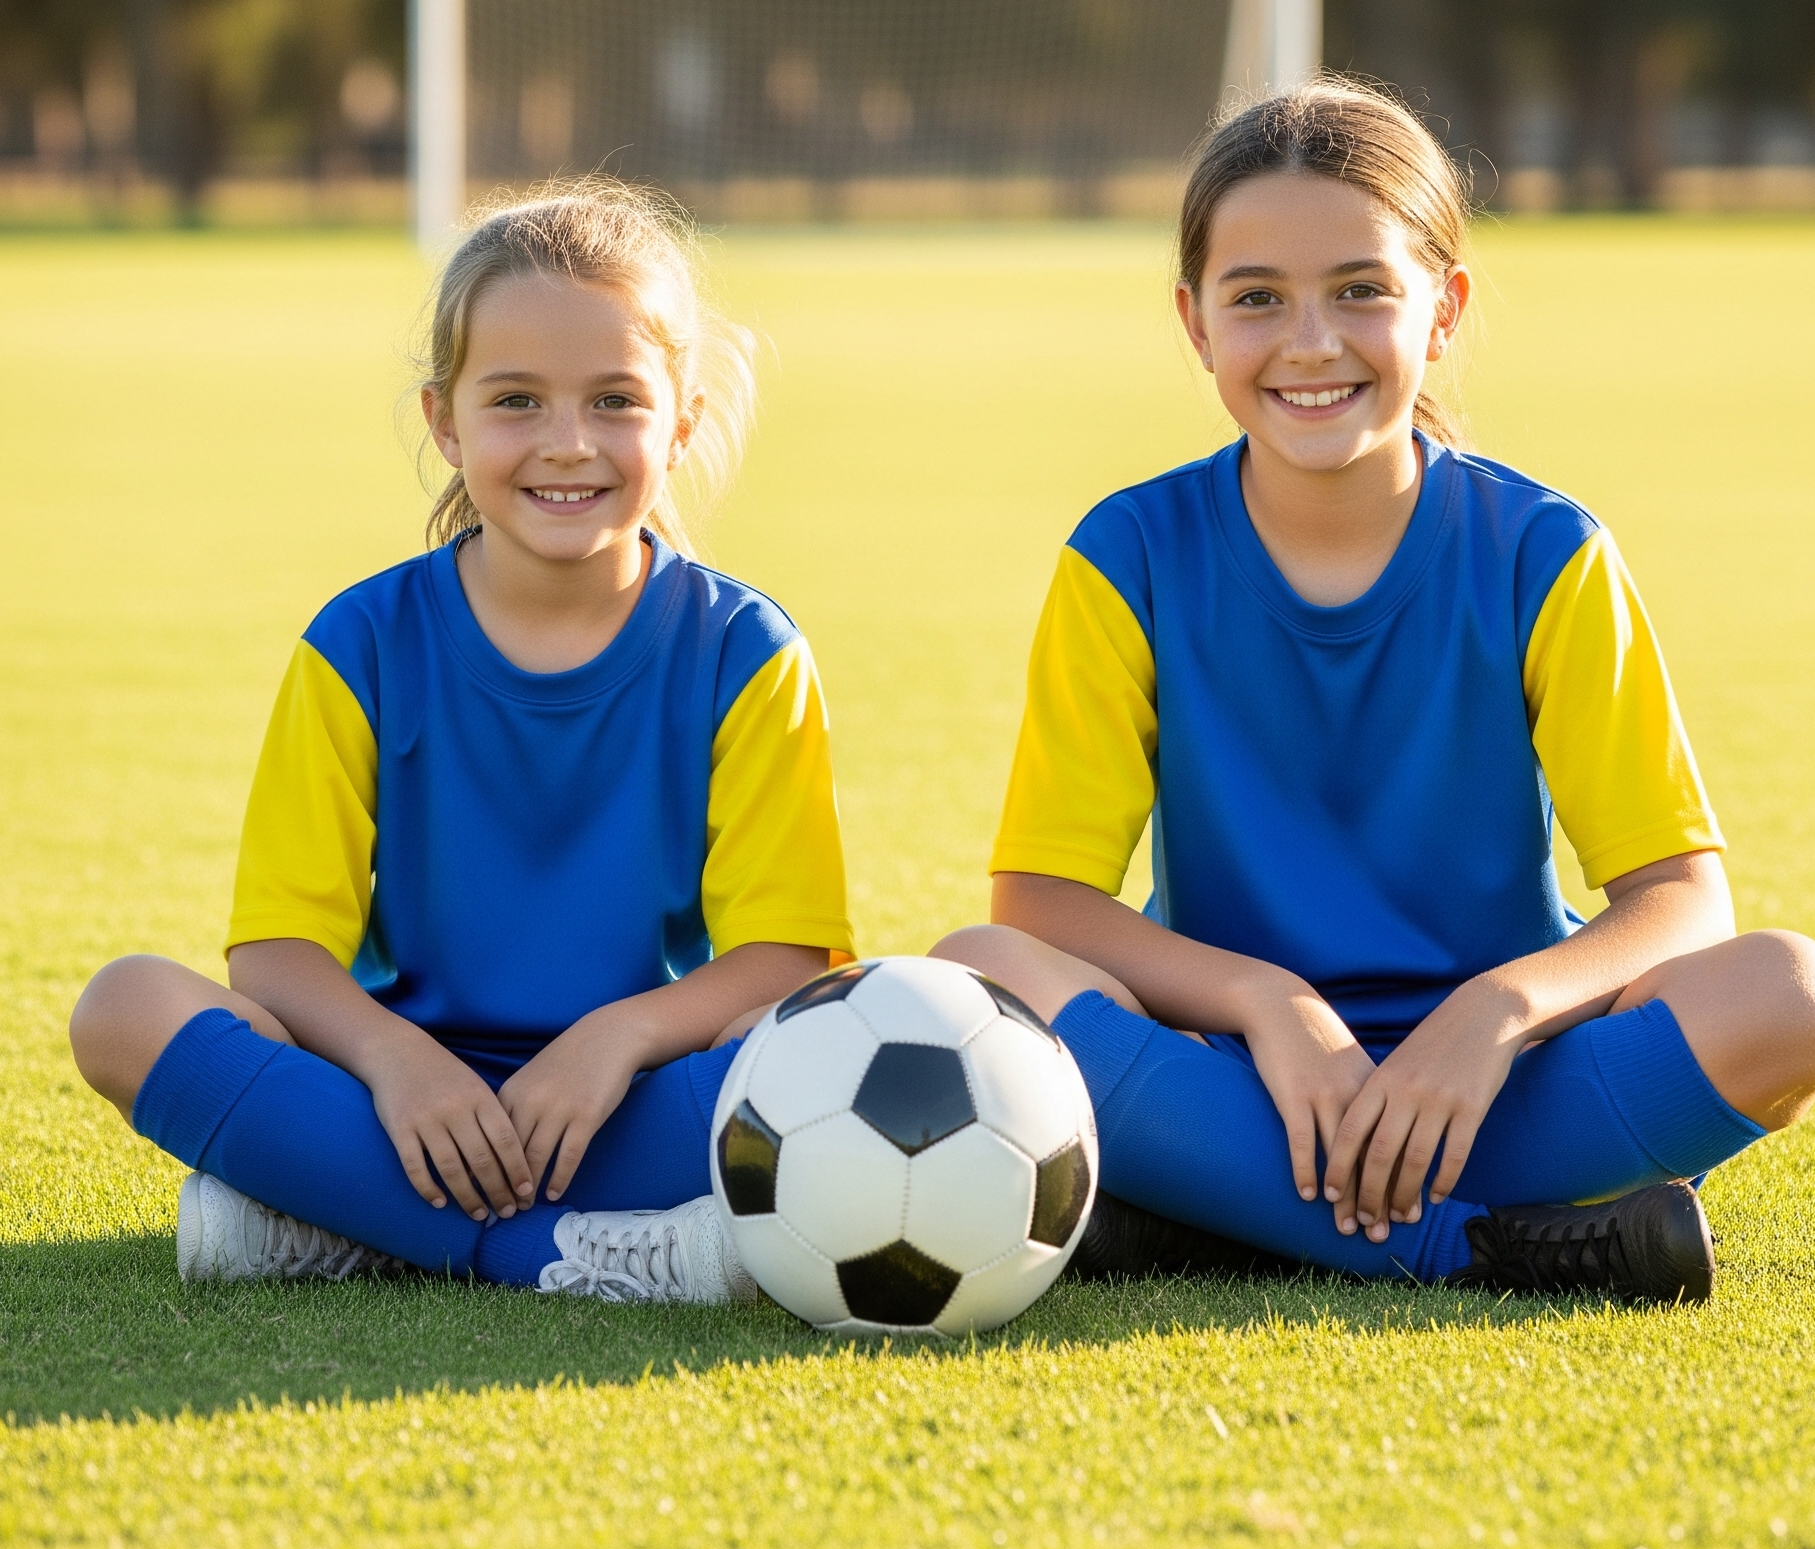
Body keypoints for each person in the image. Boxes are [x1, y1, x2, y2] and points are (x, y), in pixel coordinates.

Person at [937, 81, 1815, 1302]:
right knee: (978, 968)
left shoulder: (1543, 554)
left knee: (1792, 992)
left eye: (1361, 290)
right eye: (1258, 300)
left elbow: (1680, 900)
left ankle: (1227, 1209)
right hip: (1239, 1071)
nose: (1311, 343)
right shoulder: (1127, 557)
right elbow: (1037, 906)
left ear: (1442, 310)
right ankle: (1470, 1248)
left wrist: (1492, 1016)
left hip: (1501, 1083)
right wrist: (1267, 1001)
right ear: (1195, 323)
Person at [69, 184, 853, 1302]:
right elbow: (279, 955)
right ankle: (563, 1254)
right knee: (124, 1008)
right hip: (397, 1100)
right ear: (446, 421)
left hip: (634, 1097)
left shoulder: (747, 653)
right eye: (517, 401)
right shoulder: (361, 645)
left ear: (680, 421)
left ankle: (355, 1224)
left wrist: (613, 1040)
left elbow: (785, 959)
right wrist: (397, 1063)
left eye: (616, 399)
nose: (567, 444)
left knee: (848, 1023)